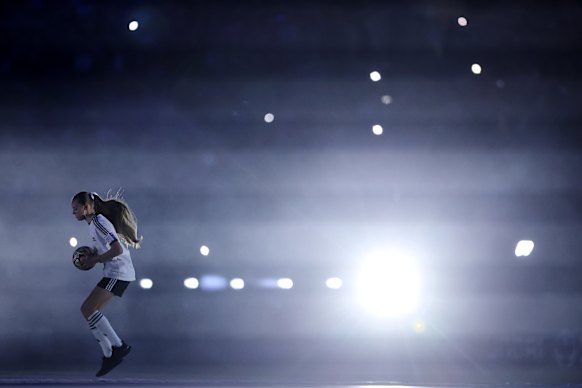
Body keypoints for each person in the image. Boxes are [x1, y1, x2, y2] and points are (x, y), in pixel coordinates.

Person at [71, 191, 142, 377]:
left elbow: (117, 249)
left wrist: (95, 260)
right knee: (88, 310)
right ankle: (110, 353)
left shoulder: (98, 222)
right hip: (116, 273)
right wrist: (94, 254)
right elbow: (108, 247)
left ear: (86, 208)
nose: (73, 212)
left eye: (75, 208)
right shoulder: (94, 224)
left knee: (88, 308)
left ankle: (117, 348)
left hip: (119, 273)